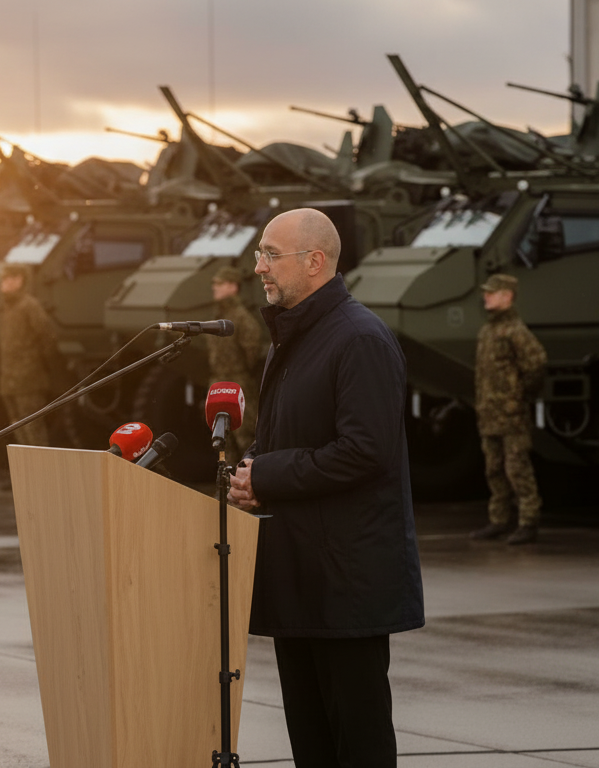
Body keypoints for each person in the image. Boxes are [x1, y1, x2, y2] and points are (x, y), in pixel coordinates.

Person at [228, 208, 423, 768]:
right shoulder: (292, 337)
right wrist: (249, 468)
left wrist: (266, 474)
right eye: (259, 253)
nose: (259, 266)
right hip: (302, 577)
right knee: (312, 745)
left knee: (355, 744)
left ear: (315, 262)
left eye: (270, 254)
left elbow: (366, 451)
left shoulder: (359, 338)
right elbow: (285, 435)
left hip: (347, 585)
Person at [469, 273, 548, 546]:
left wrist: (520, 395)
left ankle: (528, 521)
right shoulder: (488, 331)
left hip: (511, 414)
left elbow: (536, 364)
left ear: (507, 296)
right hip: (489, 413)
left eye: (492, 293)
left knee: (517, 469)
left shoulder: (515, 331)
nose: (486, 297)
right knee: (494, 469)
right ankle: (499, 520)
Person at [0, 263, 60, 447]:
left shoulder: (29, 306)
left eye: (8, 278)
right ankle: (26, 472)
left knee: (33, 429)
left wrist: (40, 368)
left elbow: (47, 338)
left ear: (19, 280)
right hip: (10, 381)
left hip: (28, 380)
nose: (3, 283)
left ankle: (40, 472)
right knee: (17, 427)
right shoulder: (10, 307)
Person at [207, 265, 265, 454]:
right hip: (218, 382)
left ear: (233, 287)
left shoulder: (241, 318)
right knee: (223, 440)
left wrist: (241, 375)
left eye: (219, 283)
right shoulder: (218, 316)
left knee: (245, 436)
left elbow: (252, 351)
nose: (214, 287)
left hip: (239, 382)